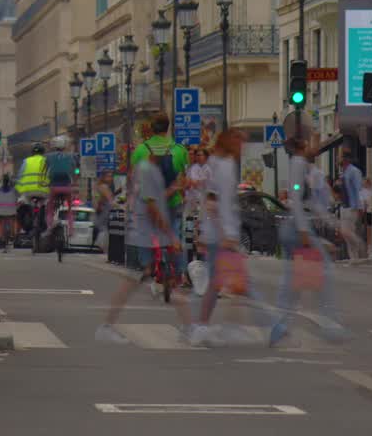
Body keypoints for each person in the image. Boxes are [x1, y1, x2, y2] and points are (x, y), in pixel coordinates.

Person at [95, 133, 192, 343]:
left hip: (146, 233)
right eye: (164, 150)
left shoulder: (149, 170)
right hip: (146, 235)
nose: (168, 153)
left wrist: (171, 190)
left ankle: (188, 327)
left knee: (151, 279)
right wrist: (170, 235)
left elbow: (153, 201)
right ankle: (189, 327)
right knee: (154, 279)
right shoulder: (148, 171)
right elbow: (151, 208)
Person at [190, 128, 266, 345]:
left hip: (222, 234)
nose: (242, 147)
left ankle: (212, 326)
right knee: (233, 283)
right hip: (221, 236)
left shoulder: (223, 164)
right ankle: (211, 327)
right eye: (239, 142)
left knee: (225, 283)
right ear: (229, 142)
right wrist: (225, 235)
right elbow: (213, 203)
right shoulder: (219, 166)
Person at [270, 136, 345, 346]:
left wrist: (334, 224)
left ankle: (280, 325)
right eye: (314, 141)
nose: (318, 146)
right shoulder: (297, 164)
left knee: (292, 281)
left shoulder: (303, 166)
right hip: (296, 228)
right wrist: (304, 231)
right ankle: (330, 326)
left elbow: (312, 203)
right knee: (324, 272)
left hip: (295, 227)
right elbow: (295, 198)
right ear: (304, 144)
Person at [130, 113, 189, 281]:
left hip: (150, 202)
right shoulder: (179, 150)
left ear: (151, 128)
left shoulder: (141, 150)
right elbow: (183, 178)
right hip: (173, 200)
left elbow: (134, 177)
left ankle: (148, 266)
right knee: (175, 233)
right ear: (168, 127)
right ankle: (180, 271)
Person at [337, 149, 366, 259]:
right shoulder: (343, 172)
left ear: (345, 159)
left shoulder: (354, 171)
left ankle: (359, 244)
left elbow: (359, 189)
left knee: (347, 232)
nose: (337, 160)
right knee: (346, 234)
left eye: (339, 157)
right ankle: (354, 258)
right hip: (344, 206)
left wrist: (360, 206)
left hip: (352, 206)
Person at [0, 174, 18, 251]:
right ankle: (12, 234)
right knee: (13, 219)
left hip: (0, 211)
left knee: (0, 221)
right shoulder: (14, 190)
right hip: (11, 210)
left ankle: (1, 237)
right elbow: (16, 199)